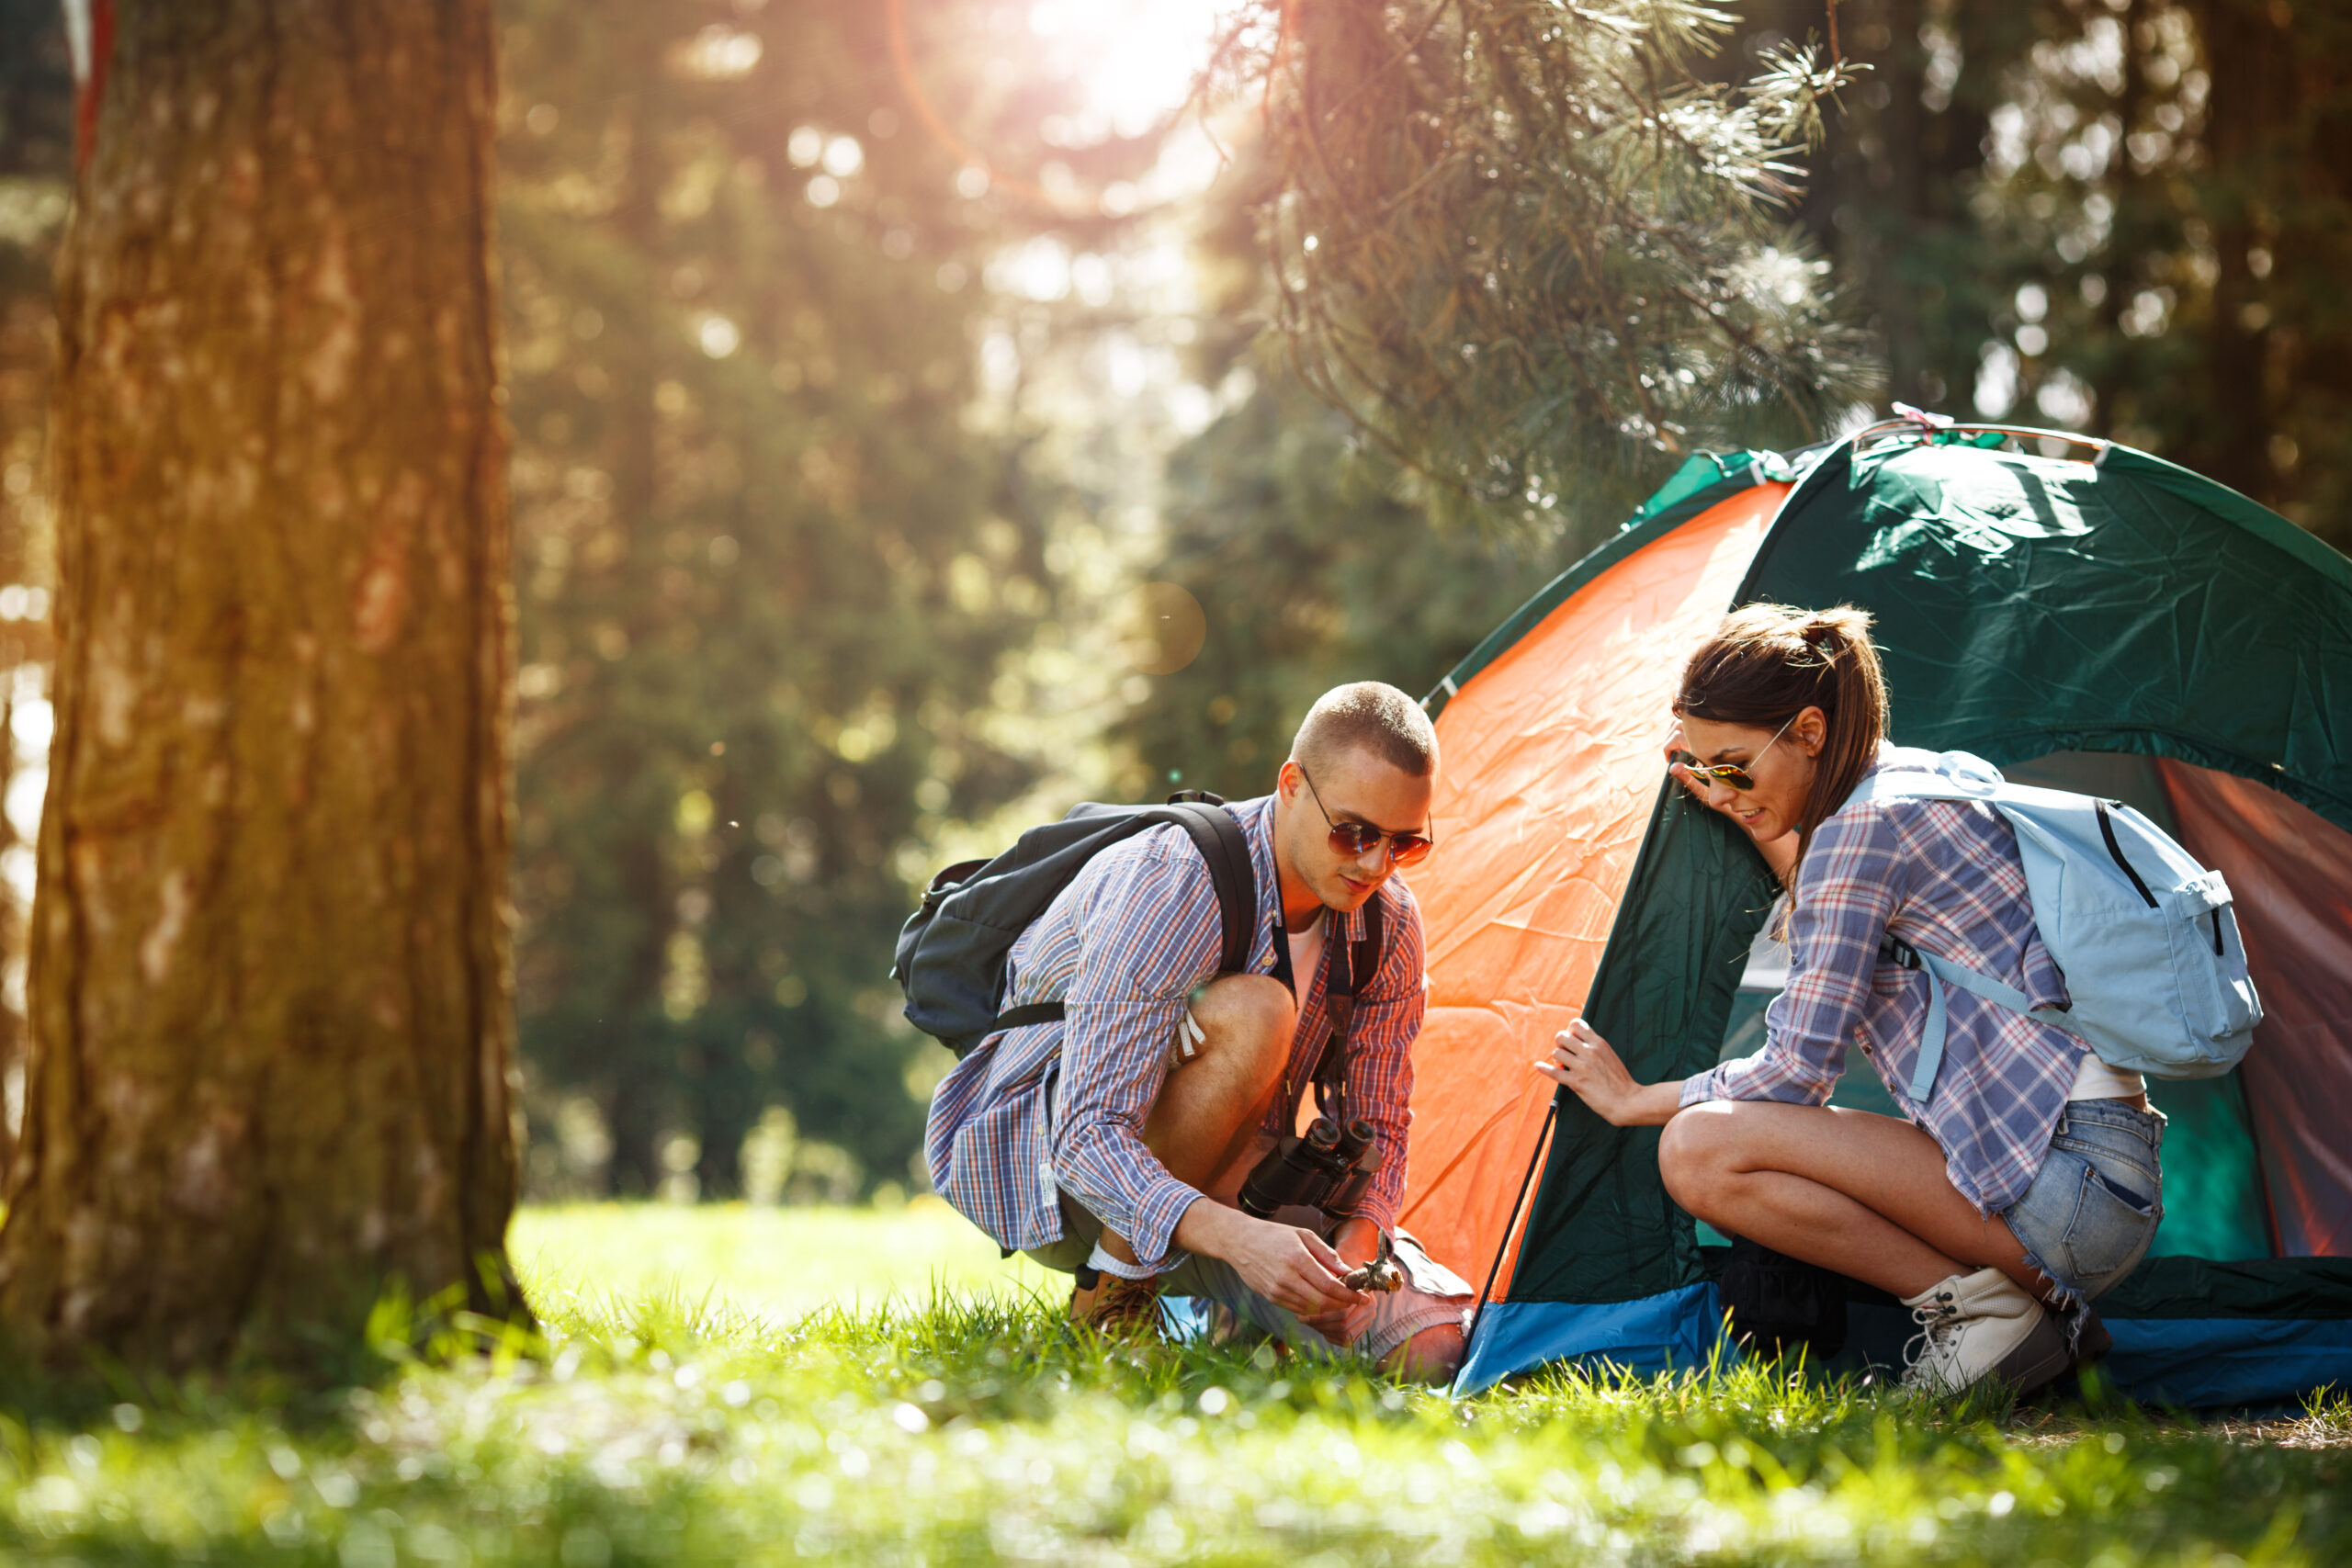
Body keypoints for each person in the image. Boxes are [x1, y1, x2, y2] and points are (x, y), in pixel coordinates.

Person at [1539, 604, 2165, 1396]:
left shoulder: (1857, 835)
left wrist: (1637, 1100)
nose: (1723, 787)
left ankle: (1986, 1315)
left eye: (1734, 764)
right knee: (1714, 1139)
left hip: (2065, 1185)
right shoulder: (1904, 784)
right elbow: (1829, 885)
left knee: (1697, 1148)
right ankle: (2034, 1312)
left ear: (1807, 732)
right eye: (1708, 768)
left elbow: (1798, 1073)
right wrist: (1743, 796)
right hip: (2095, 1175)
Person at [925, 682, 1472, 1380]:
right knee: (1260, 1013)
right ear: (1292, 784)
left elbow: (1381, 1123)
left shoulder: (1389, 921)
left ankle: (1245, 1320)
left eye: (1405, 843)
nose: (1375, 865)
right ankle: (1114, 1296)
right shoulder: (1174, 878)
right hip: (1053, 1173)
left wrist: (1358, 1247)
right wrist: (1245, 1241)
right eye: (1355, 833)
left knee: (1429, 1352)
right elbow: (1087, 1134)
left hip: (1239, 1178)